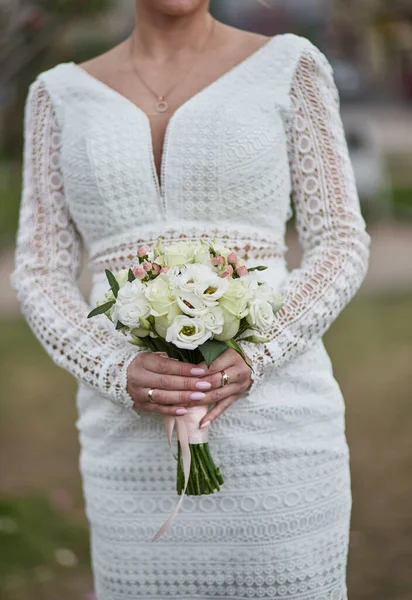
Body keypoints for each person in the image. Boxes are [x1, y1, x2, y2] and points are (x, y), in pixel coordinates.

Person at [10, 0, 371, 598]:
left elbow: (339, 239)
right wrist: (109, 366)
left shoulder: (290, 65)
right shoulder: (57, 95)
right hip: (125, 437)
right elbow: (39, 269)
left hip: (278, 427)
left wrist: (262, 349)